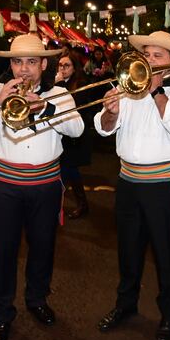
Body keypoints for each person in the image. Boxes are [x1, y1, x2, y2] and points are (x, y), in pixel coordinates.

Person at [0, 34, 83, 340]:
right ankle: (1, 313)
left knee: (43, 247)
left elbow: (77, 129)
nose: (24, 69)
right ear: (10, 64)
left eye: (32, 61)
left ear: (44, 63)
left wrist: (44, 109)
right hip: (5, 185)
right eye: (18, 61)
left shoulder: (59, 94)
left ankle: (36, 299)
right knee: (3, 251)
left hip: (45, 186)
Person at [94, 30, 170, 340]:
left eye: (158, 56)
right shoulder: (127, 89)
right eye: (147, 55)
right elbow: (104, 130)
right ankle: (125, 305)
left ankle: (169, 314)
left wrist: (156, 92)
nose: (150, 61)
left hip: (164, 185)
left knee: (167, 255)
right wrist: (110, 112)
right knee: (128, 251)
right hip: (128, 182)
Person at [55, 53, 92, 219]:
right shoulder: (59, 83)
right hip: (62, 136)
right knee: (66, 170)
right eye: (60, 65)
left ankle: (81, 204)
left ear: (74, 67)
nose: (62, 69)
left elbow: (73, 107)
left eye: (66, 65)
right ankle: (76, 204)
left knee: (69, 170)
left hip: (74, 137)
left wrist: (61, 84)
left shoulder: (81, 83)